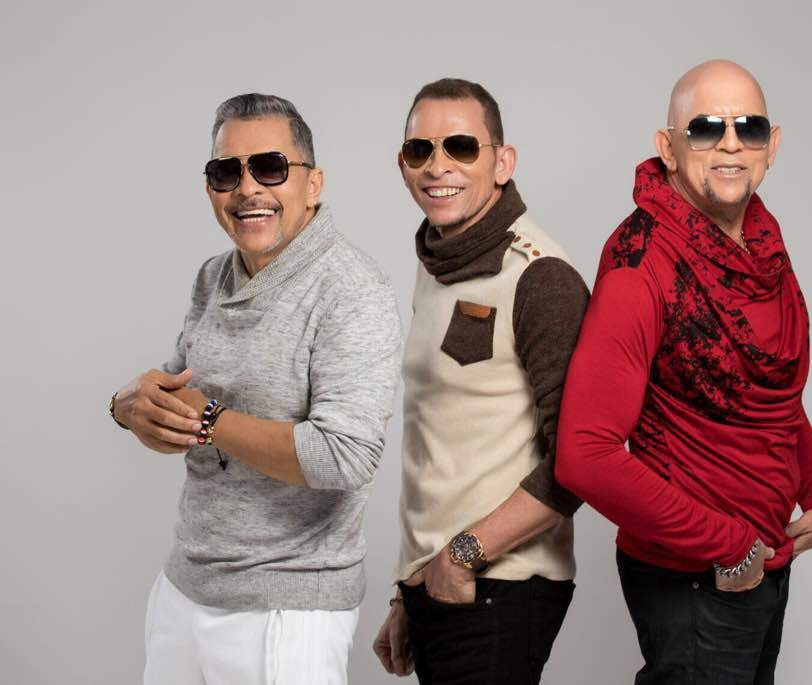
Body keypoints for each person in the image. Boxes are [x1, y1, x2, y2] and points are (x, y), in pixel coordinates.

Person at [555, 60, 812, 684]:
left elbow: (766, 389)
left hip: (761, 563)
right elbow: (584, 455)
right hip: (696, 576)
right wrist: (730, 545)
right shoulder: (642, 261)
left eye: (749, 127)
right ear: (668, 147)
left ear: (773, 144)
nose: (730, 144)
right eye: (707, 128)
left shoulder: (761, 242)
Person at [109, 93, 402, 685]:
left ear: (313, 183)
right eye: (226, 172)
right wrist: (128, 408)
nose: (247, 188)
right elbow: (176, 389)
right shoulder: (214, 274)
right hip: (186, 585)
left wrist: (208, 421)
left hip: (287, 607)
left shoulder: (353, 289)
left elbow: (345, 457)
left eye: (270, 167)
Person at [372, 78, 589, 684]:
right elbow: (443, 444)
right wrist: (409, 591)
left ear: (503, 162)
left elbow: (579, 460)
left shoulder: (541, 276)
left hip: (498, 587)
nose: (437, 166)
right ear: (402, 164)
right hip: (440, 585)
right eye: (420, 150)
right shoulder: (439, 262)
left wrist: (462, 557)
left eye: (461, 147)